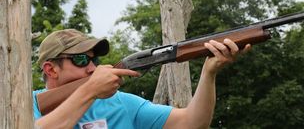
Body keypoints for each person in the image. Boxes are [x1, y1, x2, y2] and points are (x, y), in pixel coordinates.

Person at [33, 29, 250, 129]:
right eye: (81, 60)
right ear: (51, 70)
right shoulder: (24, 105)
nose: (92, 68)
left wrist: (209, 72)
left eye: (94, 59)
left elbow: (192, 122)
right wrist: (89, 91)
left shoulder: (121, 103)